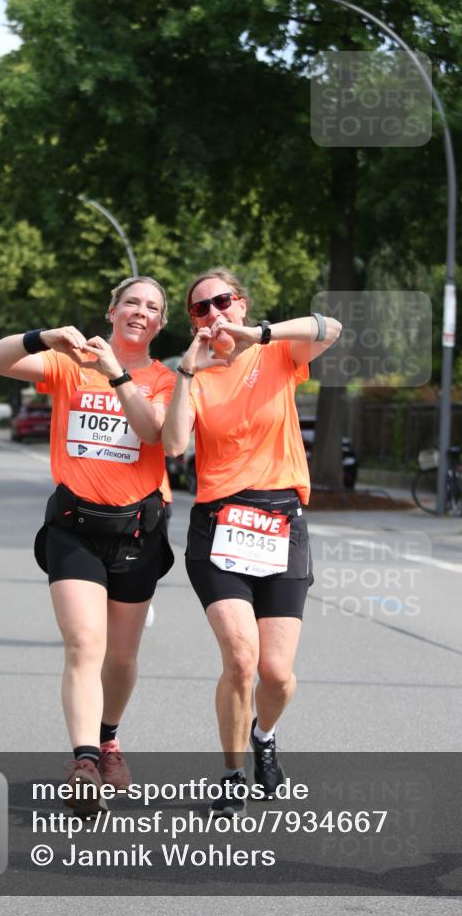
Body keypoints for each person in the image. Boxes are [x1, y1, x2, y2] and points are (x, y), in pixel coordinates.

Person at [0, 277, 175, 812]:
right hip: (74, 525)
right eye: (132, 302)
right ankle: (85, 761)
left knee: (121, 656)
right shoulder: (70, 364)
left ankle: (109, 736)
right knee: (84, 643)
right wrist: (43, 336)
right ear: (111, 311)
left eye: (153, 308)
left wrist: (115, 373)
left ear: (160, 323)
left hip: (137, 529)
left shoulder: (165, 378)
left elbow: (153, 431)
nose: (141, 312)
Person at [162, 269, 341, 816]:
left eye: (222, 301)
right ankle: (233, 769)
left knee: (277, 674)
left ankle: (264, 736)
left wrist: (259, 335)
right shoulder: (192, 374)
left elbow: (329, 325)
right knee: (242, 659)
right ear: (192, 322)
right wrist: (187, 373)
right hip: (218, 527)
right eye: (200, 309)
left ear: (240, 304)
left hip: (281, 523)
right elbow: (172, 446)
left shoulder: (278, 353)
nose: (213, 313)